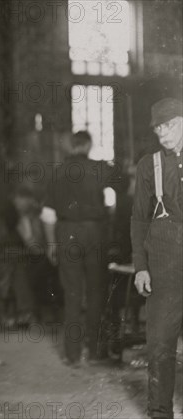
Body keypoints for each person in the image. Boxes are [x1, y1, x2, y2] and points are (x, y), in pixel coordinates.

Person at [41, 131, 127, 366]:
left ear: (71, 146)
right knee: (97, 291)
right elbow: (124, 187)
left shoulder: (57, 171)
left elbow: (47, 214)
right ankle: (96, 351)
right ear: (88, 145)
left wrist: (51, 244)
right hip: (95, 232)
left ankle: (72, 354)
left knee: (72, 293)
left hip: (66, 232)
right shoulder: (100, 168)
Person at [131, 97, 183, 419]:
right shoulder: (148, 165)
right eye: (158, 127)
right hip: (164, 261)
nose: (162, 132)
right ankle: (159, 412)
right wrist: (140, 268)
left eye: (170, 124)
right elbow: (138, 219)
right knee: (161, 344)